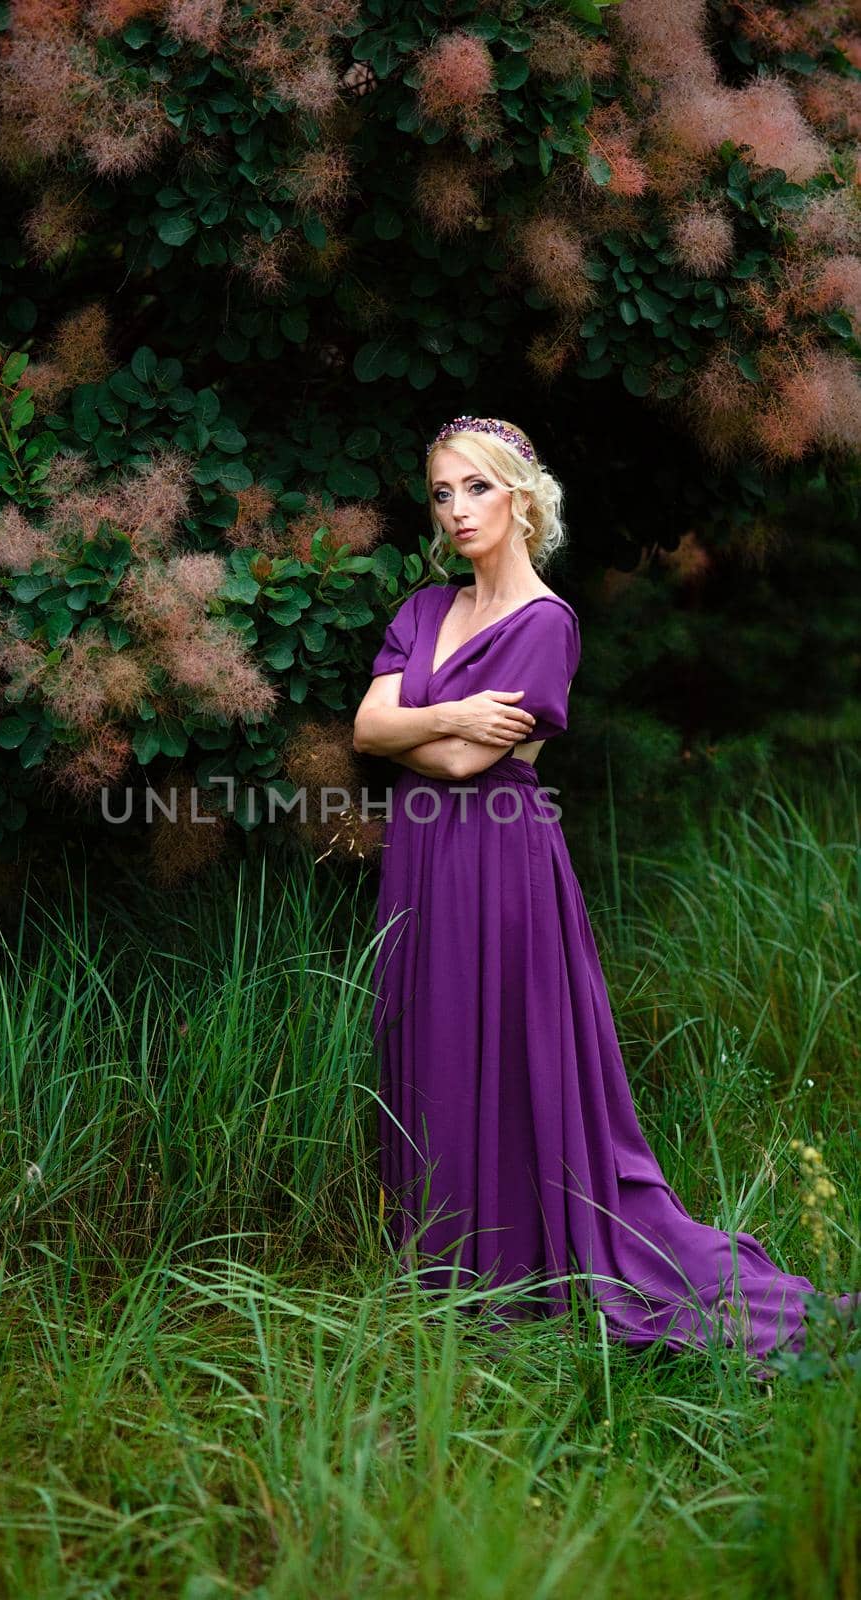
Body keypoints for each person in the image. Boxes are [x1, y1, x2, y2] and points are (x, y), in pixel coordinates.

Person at [353, 414, 855, 1369]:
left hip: (501, 865)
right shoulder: (423, 610)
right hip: (420, 859)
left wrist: (429, 725)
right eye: (442, 492)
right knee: (430, 1036)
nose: (457, 509)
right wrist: (452, 707)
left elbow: (460, 763)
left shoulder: (546, 624)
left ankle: (527, 1261)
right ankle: (447, 1262)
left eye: (478, 488)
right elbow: (367, 732)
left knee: (505, 1040)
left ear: (524, 499)